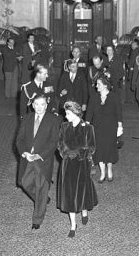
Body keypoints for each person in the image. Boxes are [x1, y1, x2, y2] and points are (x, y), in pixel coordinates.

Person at [16, 94, 61, 230]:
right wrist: (25, 153)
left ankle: (37, 219)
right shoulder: (27, 118)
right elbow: (19, 139)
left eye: (42, 104)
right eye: (37, 104)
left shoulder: (53, 120)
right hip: (28, 158)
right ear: (32, 105)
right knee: (24, 182)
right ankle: (42, 199)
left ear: (46, 105)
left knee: (41, 187)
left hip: (43, 160)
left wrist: (39, 155)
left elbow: (54, 142)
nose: (40, 107)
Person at [57, 101, 98, 238]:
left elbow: (91, 147)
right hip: (68, 164)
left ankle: (84, 209)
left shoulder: (88, 128)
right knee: (69, 193)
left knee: (82, 189)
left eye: (68, 114)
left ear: (76, 113)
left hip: (82, 164)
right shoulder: (64, 126)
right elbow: (60, 144)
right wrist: (66, 153)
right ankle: (73, 224)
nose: (66, 116)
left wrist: (80, 153)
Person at [86, 76, 123, 183]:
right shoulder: (93, 97)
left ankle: (109, 169)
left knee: (109, 148)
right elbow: (89, 113)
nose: (96, 86)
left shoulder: (114, 96)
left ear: (105, 85)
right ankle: (102, 173)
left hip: (111, 127)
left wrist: (120, 126)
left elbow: (119, 112)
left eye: (99, 84)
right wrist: (86, 125)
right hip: (97, 127)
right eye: (96, 84)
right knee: (99, 149)